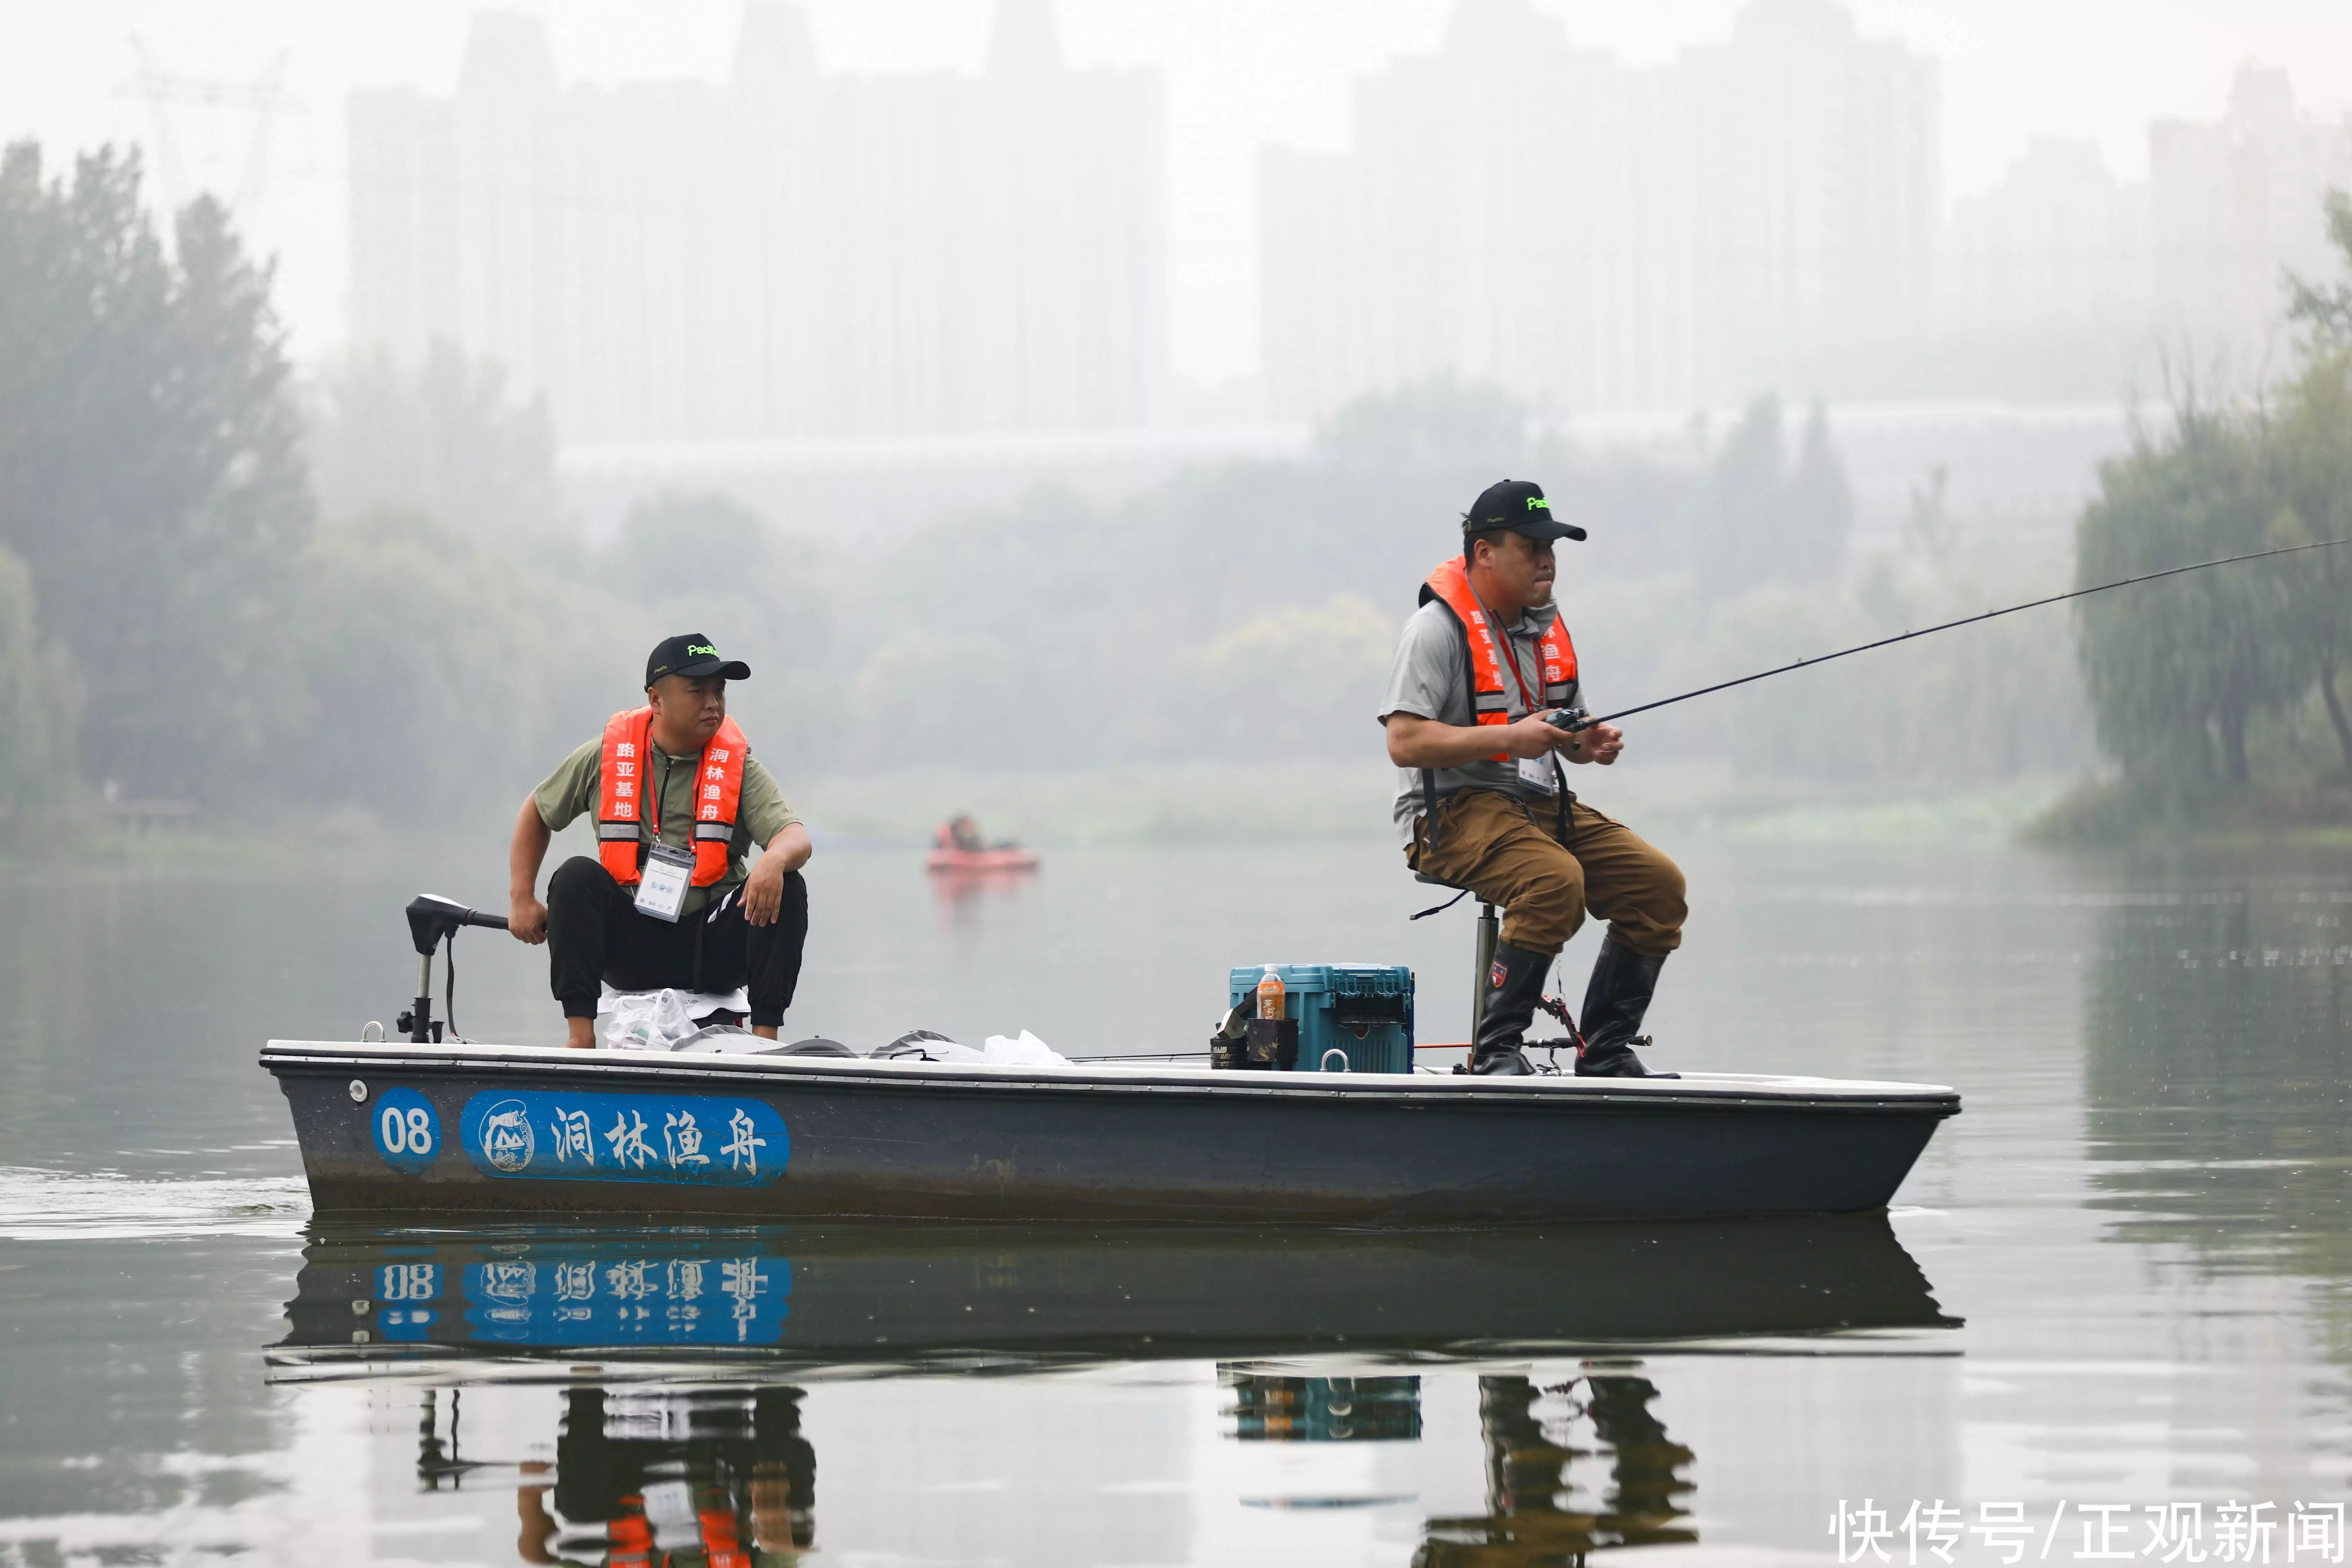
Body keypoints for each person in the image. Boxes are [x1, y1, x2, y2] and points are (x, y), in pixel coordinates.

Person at [1379, 480, 1687, 1076]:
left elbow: (1563, 734)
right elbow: (1404, 741)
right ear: (1484, 552)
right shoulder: (1436, 629)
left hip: (1537, 804)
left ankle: (1604, 1051)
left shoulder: (1543, 630)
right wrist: (1510, 737)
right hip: (1447, 813)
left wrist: (1585, 743)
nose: (1548, 559)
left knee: (1659, 888)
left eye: (1554, 546)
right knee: (1554, 882)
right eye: (1532, 546)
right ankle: (1497, 1053)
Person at [509, 634, 813, 1048]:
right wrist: (521, 898)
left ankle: (765, 1042)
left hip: (710, 946)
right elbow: (537, 812)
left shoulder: (739, 766)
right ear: (656, 699)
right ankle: (580, 1038)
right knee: (575, 876)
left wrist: (774, 860)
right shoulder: (605, 756)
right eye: (698, 691)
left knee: (788, 884)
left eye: (719, 691)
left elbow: (795, 837)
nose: (714, 703)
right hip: (632, 945)